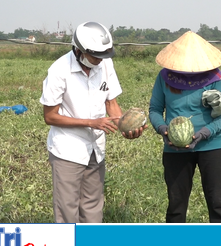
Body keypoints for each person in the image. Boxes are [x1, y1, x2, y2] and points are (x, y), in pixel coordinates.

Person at [39, 21, 147, 223]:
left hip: (95, 148)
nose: (100, 60)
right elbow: (50, 116)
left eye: (104, 55)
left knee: (93, 205)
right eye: (96, 56)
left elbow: (111, 103)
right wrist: (91, 122)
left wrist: (126, 127)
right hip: (68, 149)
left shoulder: (105, 64)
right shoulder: (59, 70)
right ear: (79, 50)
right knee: (67, 209)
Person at [149, 31, 221, 223]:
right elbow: (155, 110)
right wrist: (164, 130)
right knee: (176, 207)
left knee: (218, 204)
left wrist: (205, 133)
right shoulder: (164, 77)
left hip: (212, 146)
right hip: (174, 149)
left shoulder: (216, 78)